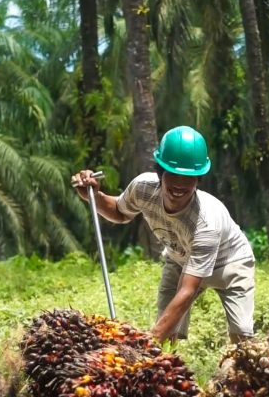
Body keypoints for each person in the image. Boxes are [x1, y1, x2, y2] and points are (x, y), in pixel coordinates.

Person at [71, 126, 255, 344]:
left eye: (189, 177)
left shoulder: (207, 224)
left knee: (242, 336)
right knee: (167, 329)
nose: (180, 184)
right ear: (161, 172)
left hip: (229, 263)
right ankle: (167, 372)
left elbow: (188, 289)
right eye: (174, 174)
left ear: (199, 179)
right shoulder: (143, 188)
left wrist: (148, 341)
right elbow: (120, 212)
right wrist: (93, 196)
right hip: (180, 259)